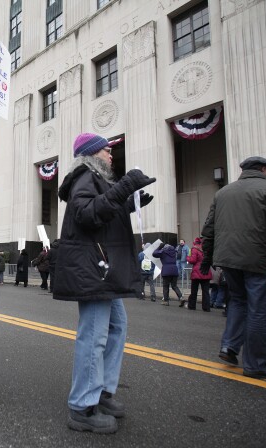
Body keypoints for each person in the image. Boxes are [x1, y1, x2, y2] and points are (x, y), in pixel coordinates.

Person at [54, 132, 155, 434]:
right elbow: (86, 214)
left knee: (116, 327)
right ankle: (82, 406)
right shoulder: (85, 175)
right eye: (107, 151)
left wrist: (128, 204)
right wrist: (124, 188)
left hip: (102, 268)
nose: (112, 155)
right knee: (95, 334)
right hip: (94, 269)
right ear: (93, 153)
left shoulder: (95, 179)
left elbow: (102, 216)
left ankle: (101, 392)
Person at [201, 156, 266, 379]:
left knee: (238, 302)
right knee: (258, 310)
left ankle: (229, 347)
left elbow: (208, 229)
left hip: (227, 258)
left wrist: (208, 257)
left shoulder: (223, 193)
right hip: (258, 257)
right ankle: (256, 364)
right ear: (263, 170)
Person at [186, 237, 211, 311]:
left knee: (194, 291)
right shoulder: (206, 249)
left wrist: (188, 257)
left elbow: (193, 260)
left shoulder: (194, 249)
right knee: (206, 291)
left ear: (194, 243)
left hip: (197, 272)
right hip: (206, 270)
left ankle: (192, 305)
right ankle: (206, 307)